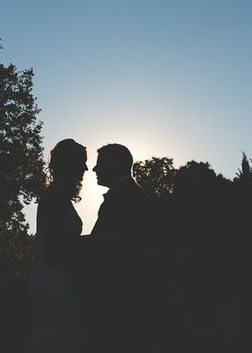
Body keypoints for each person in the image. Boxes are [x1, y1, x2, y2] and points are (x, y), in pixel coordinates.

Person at [26, 139, 88, 353]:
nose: (86, 168)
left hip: (47, 272)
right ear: (70, 164)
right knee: (56, 335)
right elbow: (56, 243)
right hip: (53, 274)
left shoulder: (54, 193)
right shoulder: (57, 194)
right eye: (82, 162)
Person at [87, 143, 150, 352]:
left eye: (100, 164)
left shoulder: (126, 195)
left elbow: (111, 243)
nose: (95, 169)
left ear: (118, 164)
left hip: (119, 296)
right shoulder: (127, 193)